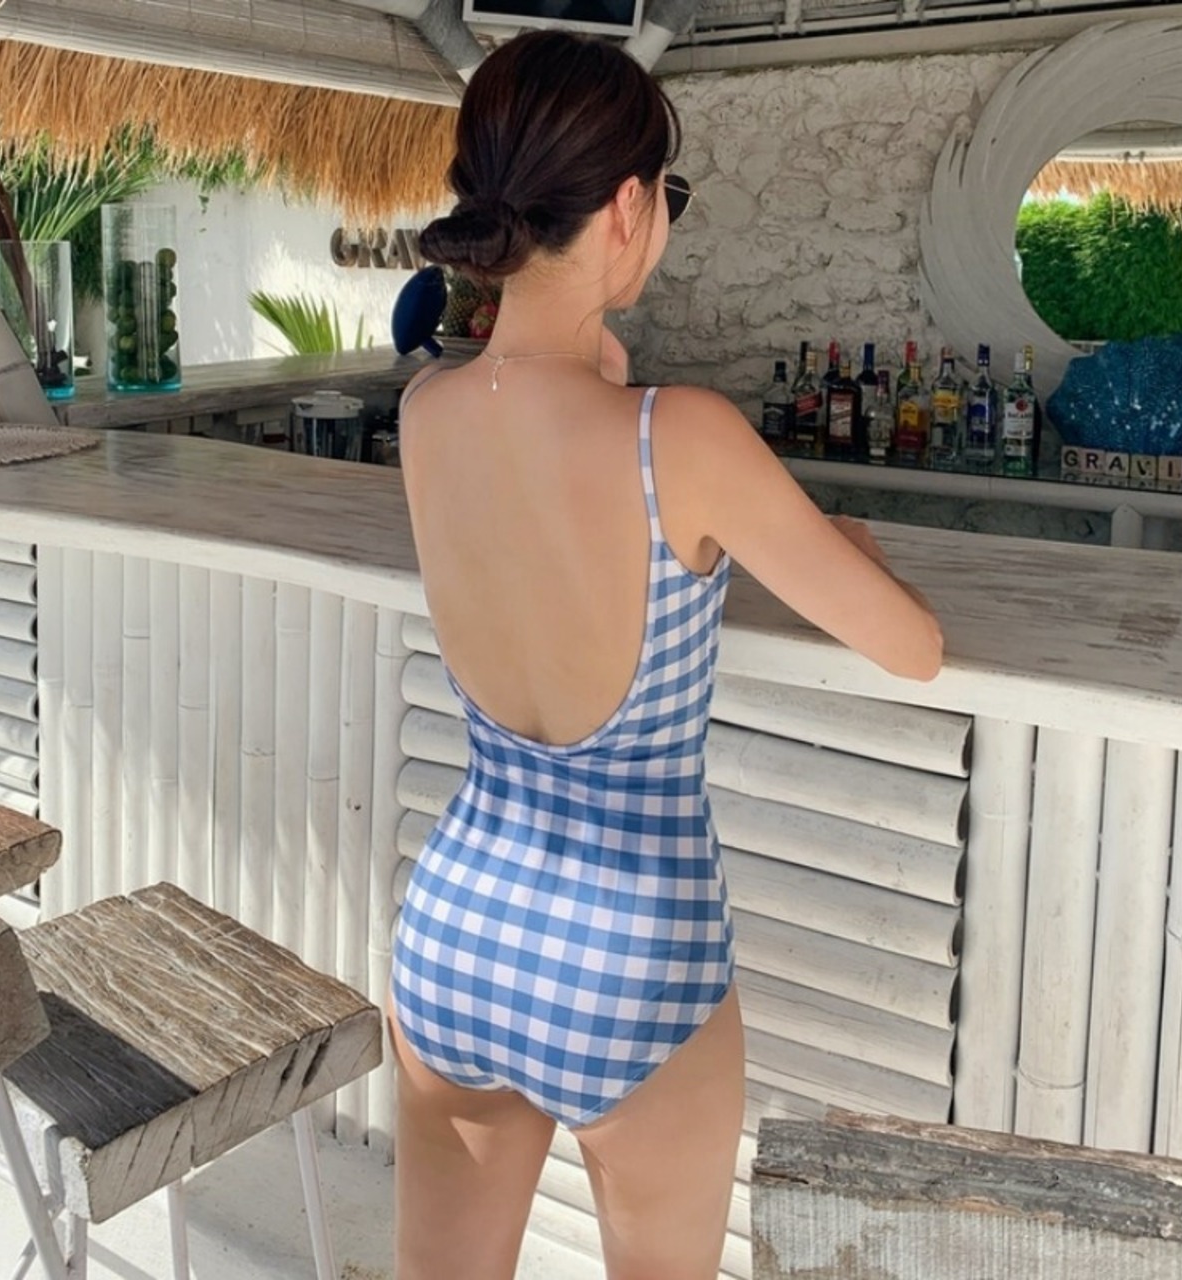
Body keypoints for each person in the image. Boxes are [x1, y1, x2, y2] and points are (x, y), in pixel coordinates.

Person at [388, 29, 943, 1280]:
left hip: (459, 924)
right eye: (668, 200)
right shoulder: (679, 436)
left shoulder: (425, 412)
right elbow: (908, 646)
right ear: (629, 205)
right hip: (632, 952)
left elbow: (536, 476)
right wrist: (842, 546)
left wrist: (589, 360)